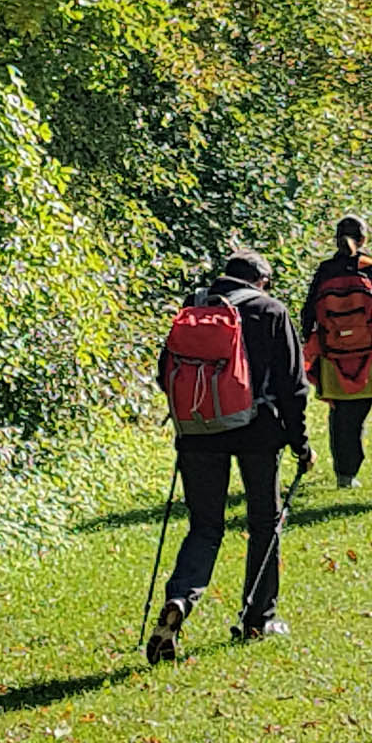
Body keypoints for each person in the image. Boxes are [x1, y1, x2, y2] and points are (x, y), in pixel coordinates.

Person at [148, 249, 316, 664]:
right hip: (259, 434)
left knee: (204, 527)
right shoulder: (271, 311)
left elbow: (163, 374)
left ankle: (180, 601)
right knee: (265, 523)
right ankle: (259, 617)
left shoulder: (193, 309)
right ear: (261, 280)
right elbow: (294, 387)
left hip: (198, 433)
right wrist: (301, 444)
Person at [299, 216, 372, 489]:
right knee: (358, 414)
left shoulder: (325, 271)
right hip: (367, 355)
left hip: (333, 354)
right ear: (364, 239)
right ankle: (349, 470)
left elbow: (307, 315)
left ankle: (343, 473)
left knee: (339, 414)